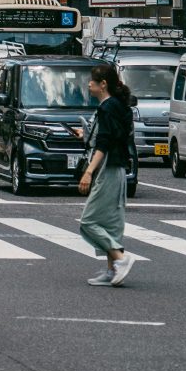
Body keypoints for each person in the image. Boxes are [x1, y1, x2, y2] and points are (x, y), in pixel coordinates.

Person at [77, 61, 140, 287]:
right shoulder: (117, 105)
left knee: (89, 221)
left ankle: (121, 259)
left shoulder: (107, 107)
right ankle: (111, 269)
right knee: (110, 222)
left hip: (108, 168)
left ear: (103, 84)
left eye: (91, 82)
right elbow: (110, 136)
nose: (88, 86)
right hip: (118, 167)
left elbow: (104, 143)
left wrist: (88, 172)